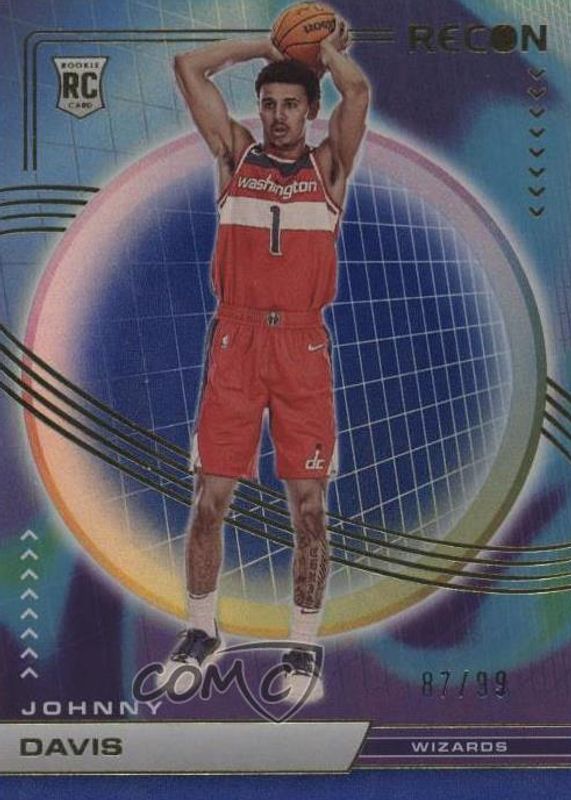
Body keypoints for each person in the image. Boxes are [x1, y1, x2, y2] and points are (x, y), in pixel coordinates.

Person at [170, 16, 369, 693]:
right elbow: (189, 68)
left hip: (302, 345)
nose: (278, 116)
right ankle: (202, 629)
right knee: (210, 497)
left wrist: (325, 53)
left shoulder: (328, 167)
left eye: (290, 104)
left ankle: (304, 648)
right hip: (235, 339)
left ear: (311, 111)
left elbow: (358, 94)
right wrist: (266, 46)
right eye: (268, 104)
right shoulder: (236, 156)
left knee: (308, 507)